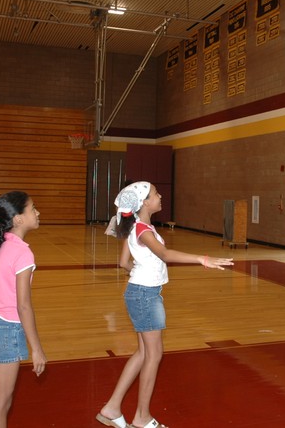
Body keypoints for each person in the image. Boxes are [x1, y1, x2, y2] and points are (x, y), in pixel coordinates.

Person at [96, 181, 233, 428]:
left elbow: (124, 263)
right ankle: (142, 418)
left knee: (142, 354)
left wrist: (141, 275)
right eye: (156, 193)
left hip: (140, 292)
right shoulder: (142, 230)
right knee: (153, 355)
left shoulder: (136, 227)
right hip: (145, 296)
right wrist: (203, 259)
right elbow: (165, 255)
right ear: (145, 203)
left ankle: (111, 408)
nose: (160, 196)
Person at [0, 191, 47, 428]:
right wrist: (36, 348)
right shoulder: (23, 252)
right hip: (6, 330)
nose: (38, 212)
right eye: (33, 208)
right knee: (0, 404)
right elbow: (23, 305)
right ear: (18, 219)